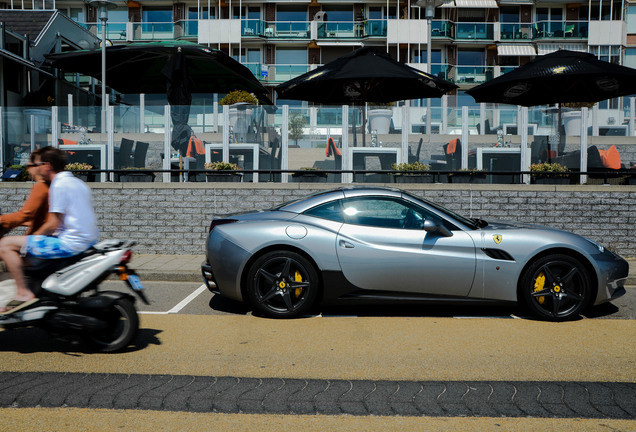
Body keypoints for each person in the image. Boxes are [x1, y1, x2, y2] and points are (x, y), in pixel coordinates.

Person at [0, 146, 99, 314]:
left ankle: (23, 292)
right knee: (25, 254)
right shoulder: (78, 183)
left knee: (5, 244)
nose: (35, 169)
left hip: (69, 244)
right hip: (87, 240)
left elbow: (52, 223)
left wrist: (31, 241)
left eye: (36, 165)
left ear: (47, 165)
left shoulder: (58, 185)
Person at [0, 148, 50, 238]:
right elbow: (34, 218)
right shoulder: (49, 186)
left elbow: (25, 215)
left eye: (29, 166)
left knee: (5, 245)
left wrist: (2, 220)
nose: (27, 169)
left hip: (39, 239)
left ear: (37, 167)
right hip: (44, 236)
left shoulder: (40, 187)